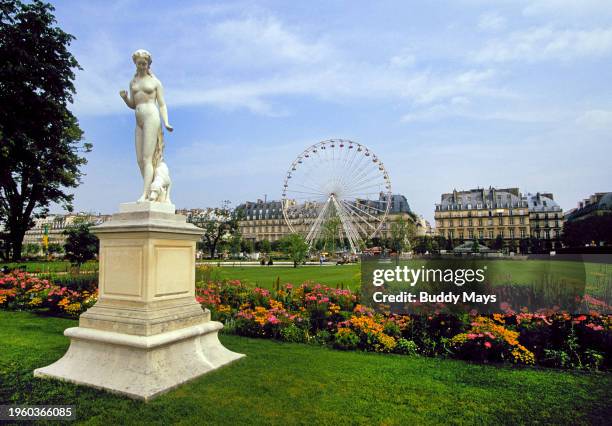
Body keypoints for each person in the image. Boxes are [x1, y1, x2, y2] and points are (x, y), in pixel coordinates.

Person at [119, 49, 173, 202]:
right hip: (139, 120)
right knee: (140, 160)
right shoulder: (133, 82)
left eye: (144, 63)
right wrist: (125, 98)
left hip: (151, 116)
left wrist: (166, 121)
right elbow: (133, 104)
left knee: (147, 158)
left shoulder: (155, 82)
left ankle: (146, 194)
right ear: (135, 64)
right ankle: (153, 189)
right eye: (139, 63)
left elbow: (162, 104)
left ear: (148, 64)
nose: (142, 66)